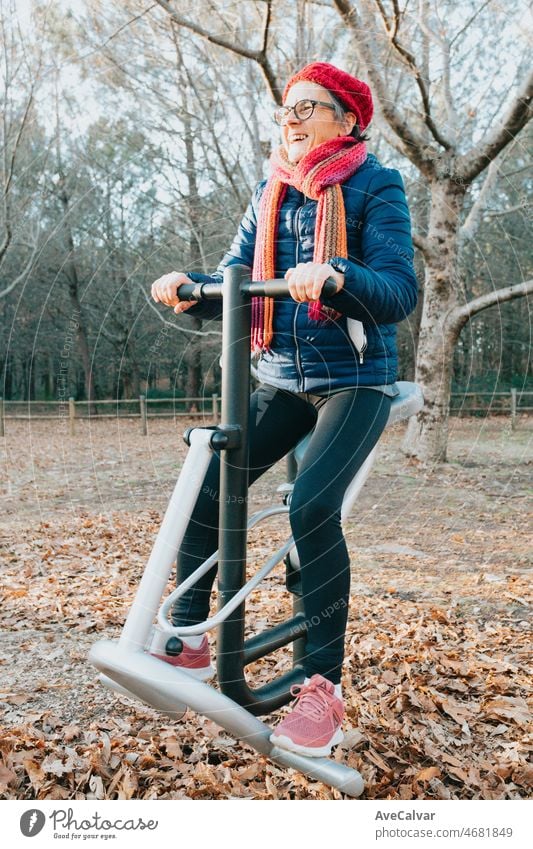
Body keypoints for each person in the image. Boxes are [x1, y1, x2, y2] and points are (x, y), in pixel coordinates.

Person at [150, 62, 417, 758]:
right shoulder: (270, 190)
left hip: (354, 380)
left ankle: (320, 687)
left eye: (306, 106)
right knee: (209, 484)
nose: (289, 118)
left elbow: (394, 291)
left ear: (347, 120)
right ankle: (186, 636)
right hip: (280, 375)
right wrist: (190, 285)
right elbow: (234, 274)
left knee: (309, 508)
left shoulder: (375, 184)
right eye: (285, 107)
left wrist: (336, 274)